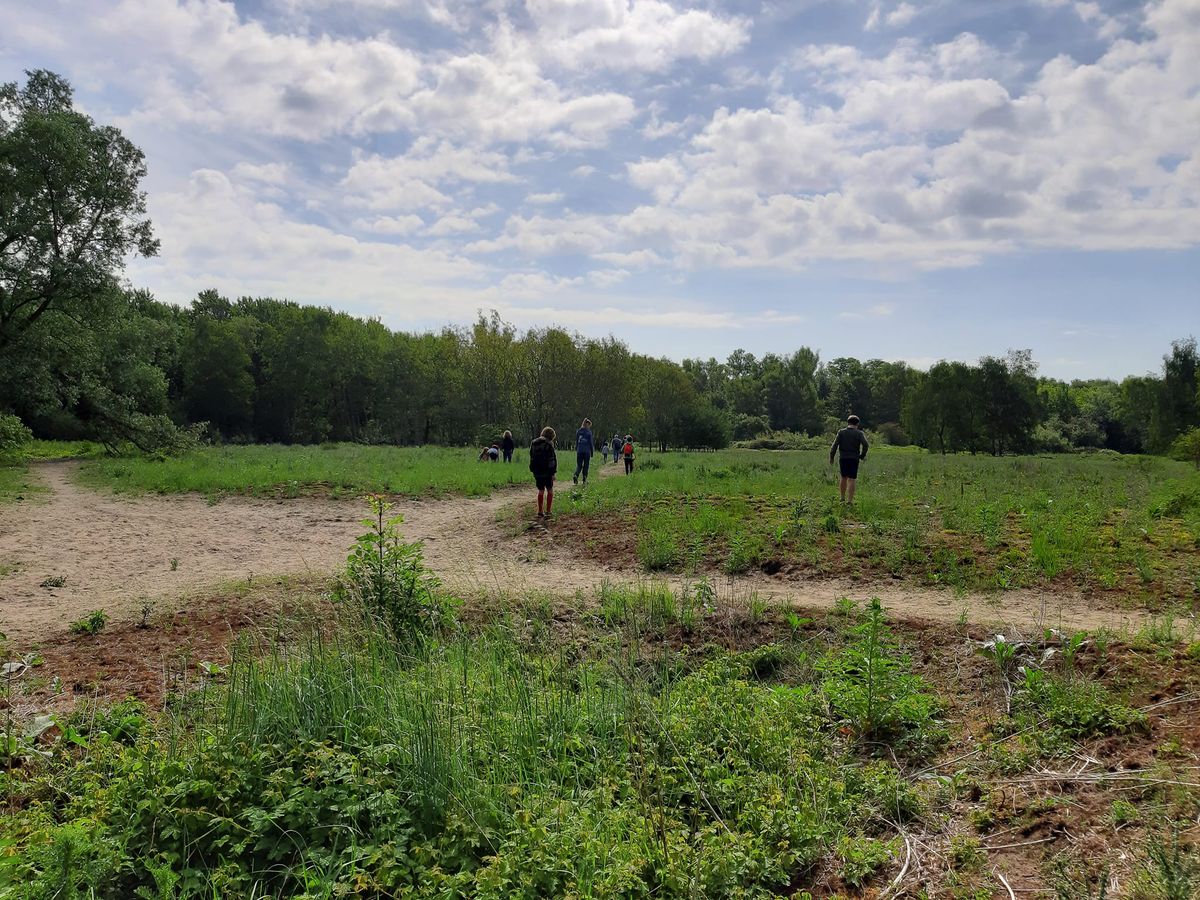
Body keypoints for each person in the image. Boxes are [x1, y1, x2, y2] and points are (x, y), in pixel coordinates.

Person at [829, 415, 869, 503]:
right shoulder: (859, 433)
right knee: (852, 479)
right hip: (854, 458)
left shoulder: (841, 432)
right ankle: (850, 501)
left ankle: (842, 498)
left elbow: (834, 445)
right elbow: (865, 445)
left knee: (843, 478)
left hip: (843, 458)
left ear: (848, 422)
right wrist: (862, 455)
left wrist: (831, 457)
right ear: (857, 423)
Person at [529, 426, 558, 518]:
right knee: (550, 489)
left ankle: (540, 511)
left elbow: (531, 456)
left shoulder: (533, 443)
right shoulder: (549, 444)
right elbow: (552, 460)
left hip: (537, 471)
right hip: (547, 471)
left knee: (541, 490)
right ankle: (548, 511)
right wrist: (553, 472)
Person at [573, 418, 595, 485]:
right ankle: (584, 479)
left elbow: (576, 442)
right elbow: (591, 443)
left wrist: (577, 449)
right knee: (586, 465)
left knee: (579, 465)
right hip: (587, 451)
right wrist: (592, 452)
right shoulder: (589, 432)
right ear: (588, 425)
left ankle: (576, 475)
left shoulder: (578, 431)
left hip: (579, 451)